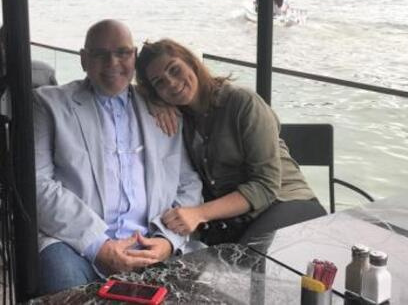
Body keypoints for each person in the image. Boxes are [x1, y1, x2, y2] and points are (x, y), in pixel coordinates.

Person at [33, 20, 203, 295]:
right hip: (76, 243)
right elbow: (37, 183)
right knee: (62, 279)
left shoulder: (161, 108)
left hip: (151, 239)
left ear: (134, 56)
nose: (113, 62)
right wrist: (98, 245)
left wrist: (167, 240)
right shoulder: (48, 105)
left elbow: (188, 183)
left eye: (122, 53)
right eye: (100, 54)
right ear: (83, 59)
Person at [135, 39, 326, 246]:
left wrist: (199, 213)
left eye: (174, 69)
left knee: (246, 259)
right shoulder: (180, 117)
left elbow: (266, 185)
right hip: (235, 221)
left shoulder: (242, 102)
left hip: (286, 202)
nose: (171, 83)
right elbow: (128, 91)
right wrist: (154, 102)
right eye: (159, 82)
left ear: (191, 62)